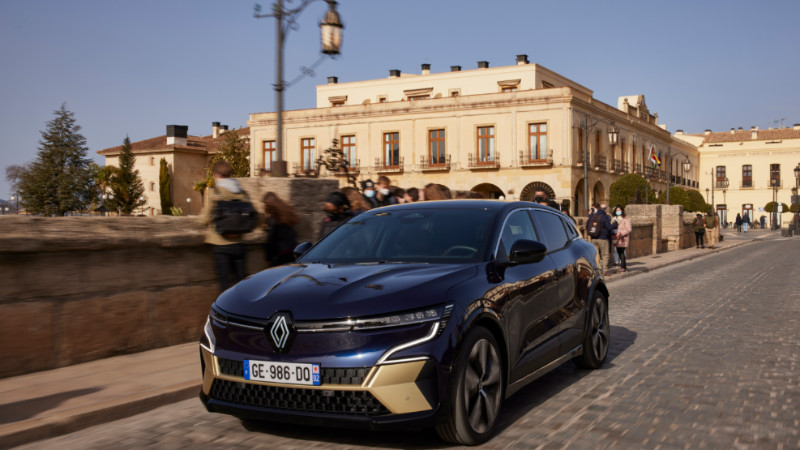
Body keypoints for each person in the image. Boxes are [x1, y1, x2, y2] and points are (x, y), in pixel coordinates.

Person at [201, 160, 250, 291]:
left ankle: (227, 310)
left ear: (216, 175)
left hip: (220, 243)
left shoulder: (214, 192)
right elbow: (252, 215)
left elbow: (205, 218)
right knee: (242, 282)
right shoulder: (242, 192)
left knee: (225, 283)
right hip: (239, 242)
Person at [262, 191, 298, 267]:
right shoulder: (287, 213)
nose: (264, 207)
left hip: (280, 254)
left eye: (265, 204)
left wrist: (268, 258)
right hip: (292, 251)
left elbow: (271, 239)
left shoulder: (275, 217)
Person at [587, 203, 615, 275]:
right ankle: (604, 270)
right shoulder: (604, 216)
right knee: (605, 255)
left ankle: (596, 270)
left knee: (595, 255)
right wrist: (615, 224)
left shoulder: (592, 216)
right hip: (603, 238)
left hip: (593, 238)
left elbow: (587, 226)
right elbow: (609, 227)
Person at [612, 205, 631, 273]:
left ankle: (623, 267)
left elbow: (628, 229)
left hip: (623, 238)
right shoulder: (614, 219)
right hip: (616, 238)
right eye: (617, 210)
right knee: (618, 252)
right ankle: (623, 266)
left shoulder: (626, 219)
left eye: (619, 210)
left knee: (622, 252)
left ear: (622, 211)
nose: (618, 212)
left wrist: (621, 233)